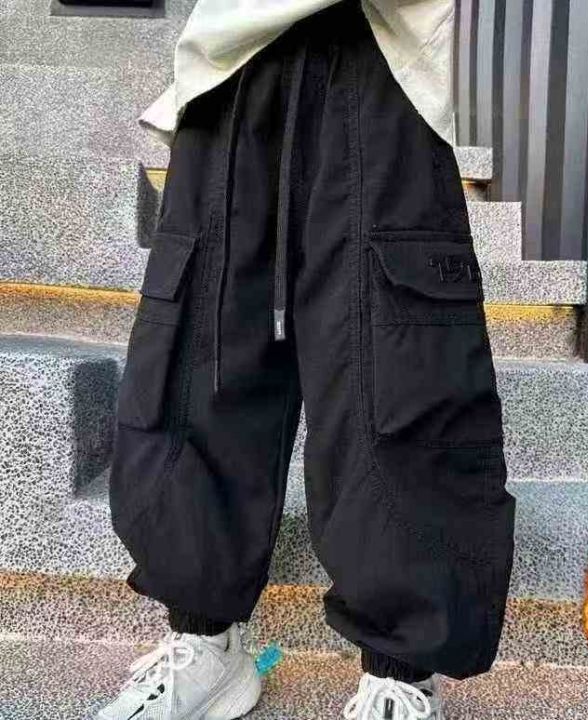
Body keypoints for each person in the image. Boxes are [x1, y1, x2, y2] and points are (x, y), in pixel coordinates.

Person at [97, 1, 516, 718]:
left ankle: (400, 675)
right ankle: (204, 643)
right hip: (232, 55)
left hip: (386, 45)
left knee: (399, 372)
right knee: (199, 359)